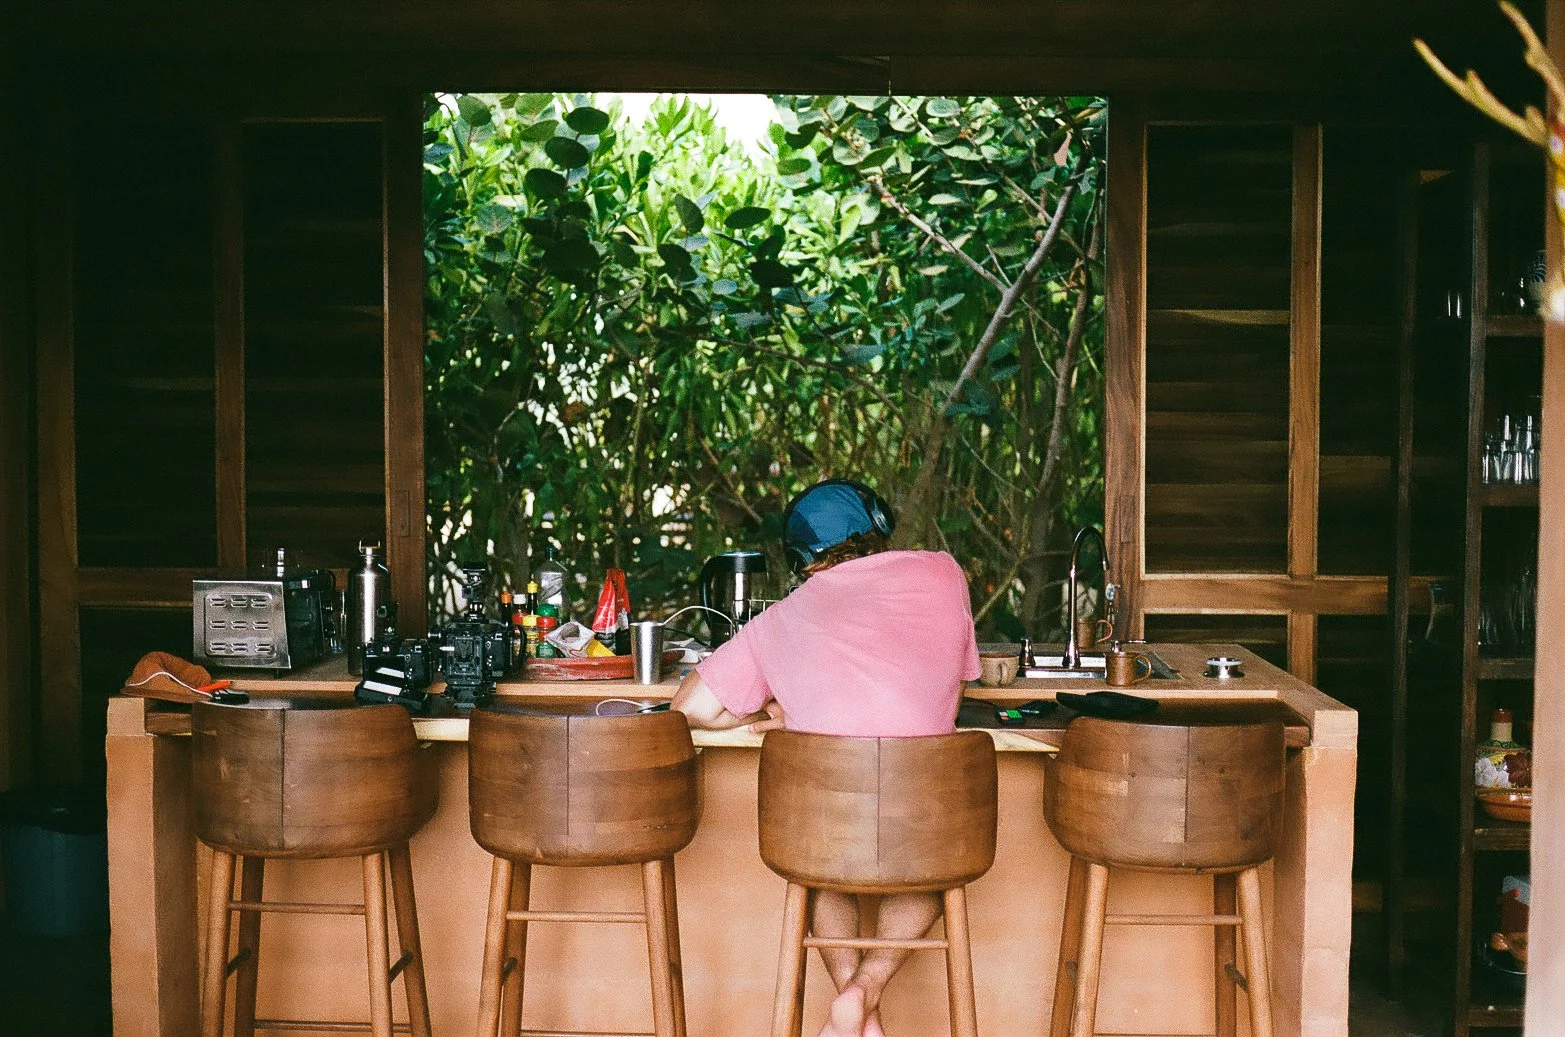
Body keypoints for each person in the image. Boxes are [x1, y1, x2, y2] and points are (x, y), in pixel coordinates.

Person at [672, 478, 981, 1037]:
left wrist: (768, 712)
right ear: (879, 528)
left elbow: (690, 707)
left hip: (822, 831)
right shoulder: (942, 572)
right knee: (928, 877)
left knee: (820, 871)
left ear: (799, 560)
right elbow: (951, 692)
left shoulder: (782, 618)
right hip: (930, 822)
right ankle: (865, 995)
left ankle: (853, 1006)